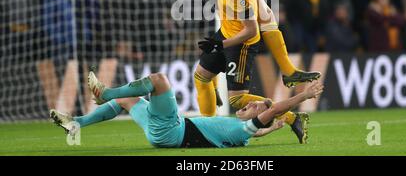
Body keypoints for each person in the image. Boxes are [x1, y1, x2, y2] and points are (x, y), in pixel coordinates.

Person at [172, 0, 320, 142]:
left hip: (242, 43)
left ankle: (292, 118)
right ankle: (206, 128)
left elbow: (251, 30)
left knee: (236, 100)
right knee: (201, 77)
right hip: (227, 33)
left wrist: (221, 46)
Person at [50, 71, 324, 148]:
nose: (250, 104)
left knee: (159, 80)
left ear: (257, 119)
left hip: (173, 130)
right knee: (127, 101)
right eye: (254, 102)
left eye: (254, 108)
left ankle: (106, 93)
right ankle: (76, 123)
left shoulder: (243, 130)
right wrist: (275, 128)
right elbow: (259, 130)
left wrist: (303, 96)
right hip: (162, 134)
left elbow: (273, 109)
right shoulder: (243, 134)